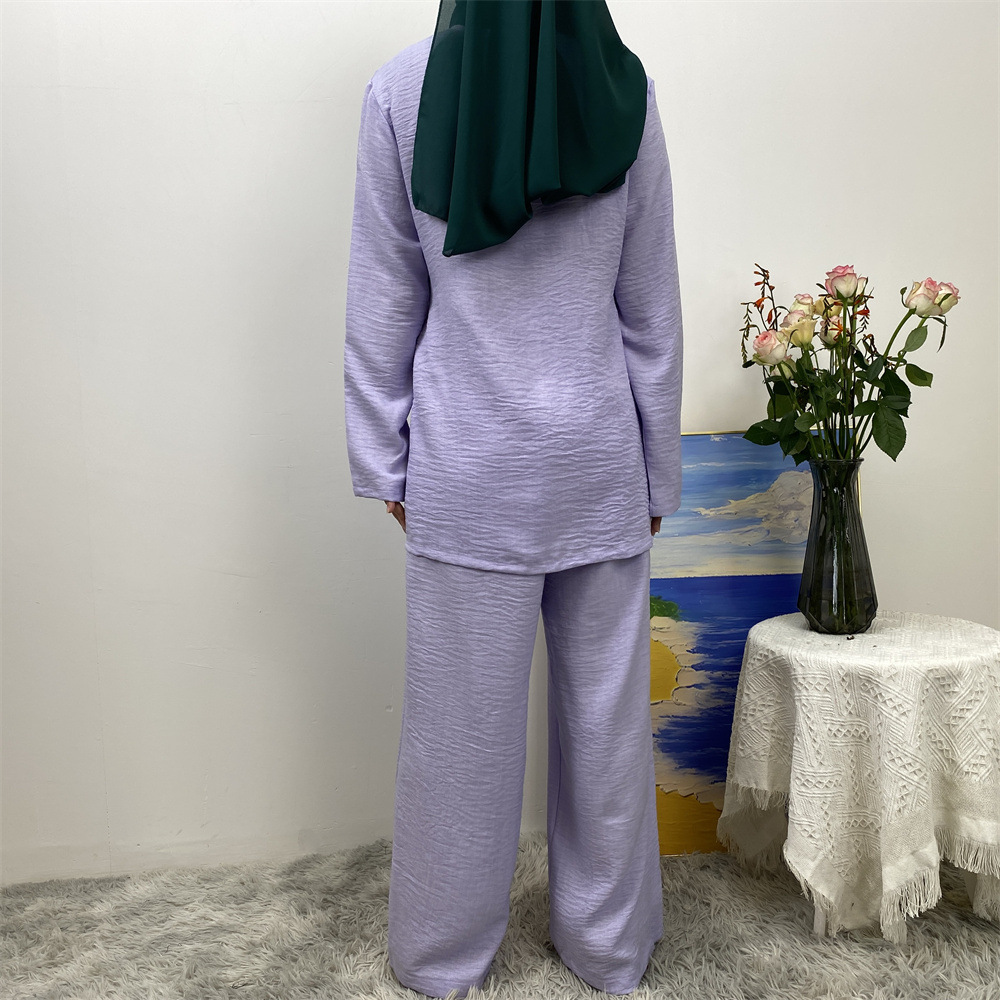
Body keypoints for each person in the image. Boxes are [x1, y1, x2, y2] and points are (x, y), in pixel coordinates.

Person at [343, 1, 683, 995]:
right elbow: (650, 307)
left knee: (457, 739)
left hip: (466, 461)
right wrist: (657, 467)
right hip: (598, 456)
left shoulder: (399, 91)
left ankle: (438, 957)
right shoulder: (626, 88)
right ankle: (608, 949)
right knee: (607, 732)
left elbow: (383, 293)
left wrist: (386, 459)